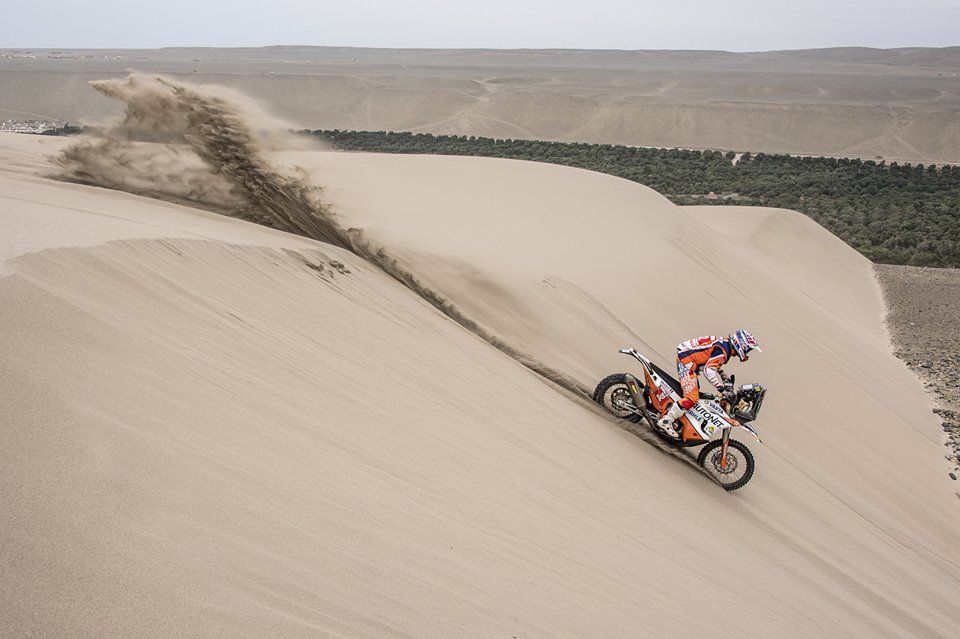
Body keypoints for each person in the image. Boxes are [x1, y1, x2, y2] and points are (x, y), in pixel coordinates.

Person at [657, 330, 761, 437]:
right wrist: (722, 390)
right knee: (692, 398)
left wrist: (723, 375)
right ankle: (666, 421)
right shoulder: (723, 352)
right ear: (742, 346)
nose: (747, 352)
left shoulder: (725, 344)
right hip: (687, 362)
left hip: (688, 356)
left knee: (696, 392)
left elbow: (710, 359)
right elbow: (708, 371)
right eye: (748, 349)